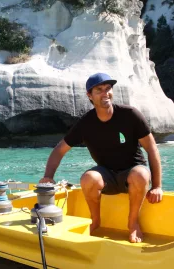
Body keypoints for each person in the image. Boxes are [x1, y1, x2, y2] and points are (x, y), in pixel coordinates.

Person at [40, 72, 163, 243]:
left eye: (108, 89)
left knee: (140, 174)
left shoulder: (130, 115)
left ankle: (133, 222)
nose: (106, 93)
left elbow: (152, 149)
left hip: (133, 174)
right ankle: (95, 220)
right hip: (107, 175)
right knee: (88, 178)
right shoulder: (86, 123)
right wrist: (48, 177)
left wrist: (157, 186)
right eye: (99, 90)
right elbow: (59, 150)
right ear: (89, 95)